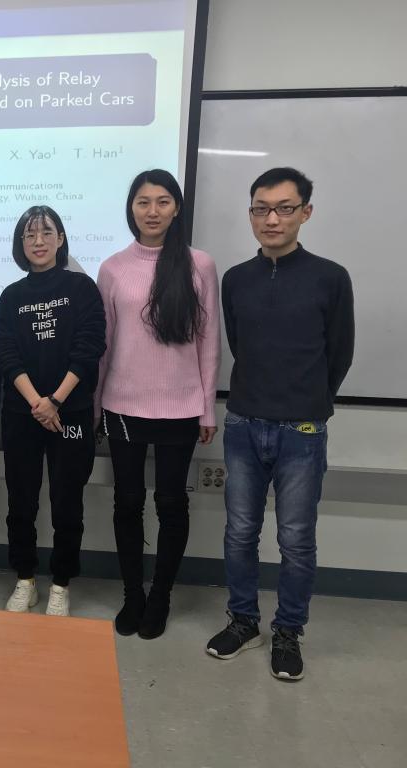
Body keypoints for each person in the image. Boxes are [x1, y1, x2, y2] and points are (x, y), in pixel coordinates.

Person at [206, 167, 354, 681]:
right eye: (261, 209)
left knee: (295, 538)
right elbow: (239, 344)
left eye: (284, 208)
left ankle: (288, 631)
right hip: (244, 423)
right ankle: (243, 621)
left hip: (302, 431)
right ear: (251, 214)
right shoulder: (235, 279)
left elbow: (340, 353)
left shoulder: (330, 278)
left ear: (305, 213)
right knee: (239, 532)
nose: (272, 219)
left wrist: (308, 401)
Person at [95, 169, 220, 639]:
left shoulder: (199, 264)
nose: (152, 211)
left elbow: (209, 341)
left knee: (171, 504)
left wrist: (207, 407)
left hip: (181, 407)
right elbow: (104, 345)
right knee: (127, 502)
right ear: (131, 208)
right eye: (143, 202)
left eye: (163, 201)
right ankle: (134, 595)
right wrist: (95, 406)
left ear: (177, 208)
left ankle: (161, 596)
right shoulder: (112, 268)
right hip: (122, 405)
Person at [0, 205, 106, 616]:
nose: (38, 241)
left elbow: (90, 347)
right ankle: (25, 579)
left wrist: (56, 400)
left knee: (67, 502)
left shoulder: (82, 288)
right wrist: (36, 403)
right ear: (20, 244)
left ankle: (61, 583)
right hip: (22, 413)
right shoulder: (11, 296)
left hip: (70, 413)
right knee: (20, 502)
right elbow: (6, 354)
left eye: (46, 233)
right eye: (29, 235)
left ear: (60, 239)